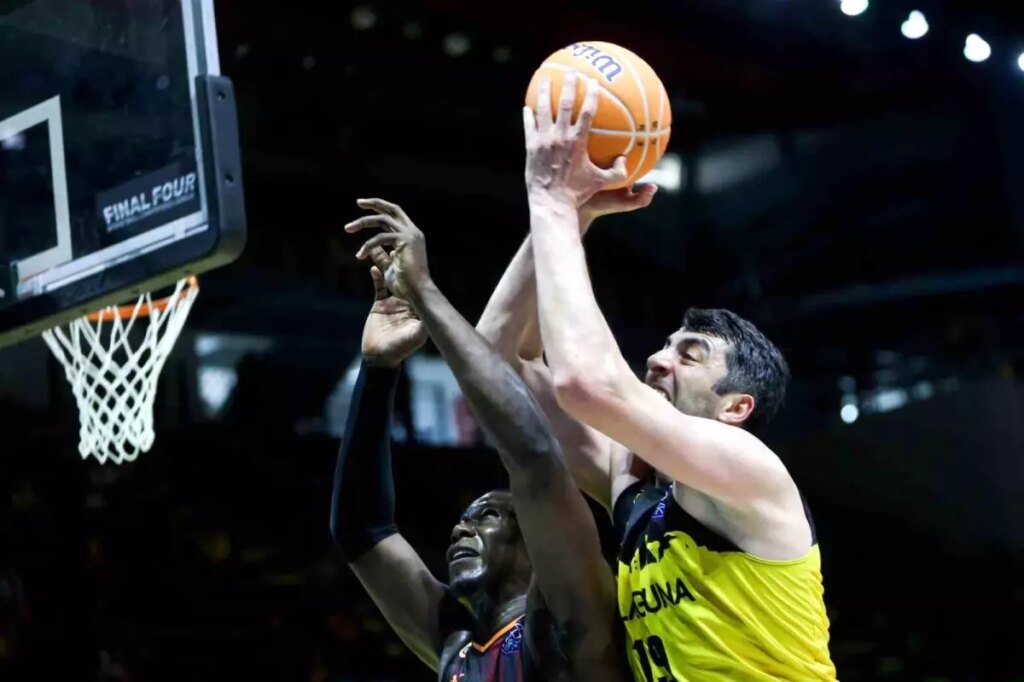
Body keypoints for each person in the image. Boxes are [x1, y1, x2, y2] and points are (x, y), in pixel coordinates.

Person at [477, 70, 836, 680]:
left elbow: (587, 385)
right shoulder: (633, 481)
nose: (657, 359)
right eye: (665, 345)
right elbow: (495, 361)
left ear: (736, 408)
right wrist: (576, 215)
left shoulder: (750, 473)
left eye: (690, 354)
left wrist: (551, 198)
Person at [332, 198, 625, 682]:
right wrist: (379, 370)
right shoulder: (453, 643)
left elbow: (533, 457)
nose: (459, 530)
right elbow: (362, 534)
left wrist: (424, 292)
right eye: (466, 519)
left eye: (487, 516)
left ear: (536, 538)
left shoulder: (571, 623)